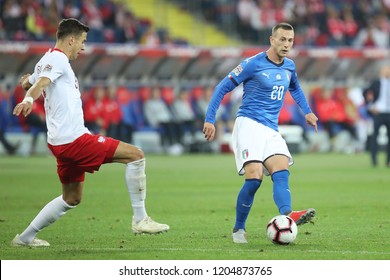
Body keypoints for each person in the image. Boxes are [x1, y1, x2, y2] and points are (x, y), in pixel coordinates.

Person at [11, 18, 169, 247]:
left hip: (59, 142)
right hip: (74, 140)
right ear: (71, 39)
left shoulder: (47, 59)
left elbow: (33, 82)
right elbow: (41, 84)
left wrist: (26, 82)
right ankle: (140, 219)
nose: (83, 47)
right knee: (136, 156)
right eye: (82, 41)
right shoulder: (58, 59)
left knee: (71, 198)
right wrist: (28, 97)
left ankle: (24, 238)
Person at [203, 22, 318, 244]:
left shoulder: (289, 66)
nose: (286, 44)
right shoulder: (253, 64)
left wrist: (308, 112)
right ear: (272, 40)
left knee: (282, 172)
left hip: (270, 129)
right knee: (254, 179)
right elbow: (222, 88)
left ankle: (288, 214)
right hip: (249, 125)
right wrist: (210, 119)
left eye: (290, 40)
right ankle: (238, 229)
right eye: (282, 39)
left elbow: (294, 87)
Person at [363, 64, 390, 167]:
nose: (387, 72)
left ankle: (388, 161)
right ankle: (374, 161)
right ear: (381, 72)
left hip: (389, 112)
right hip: (379, 112)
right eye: (386, 70)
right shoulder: (376, 83)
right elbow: (366, 93)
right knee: (375, 136)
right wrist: (370, 106)